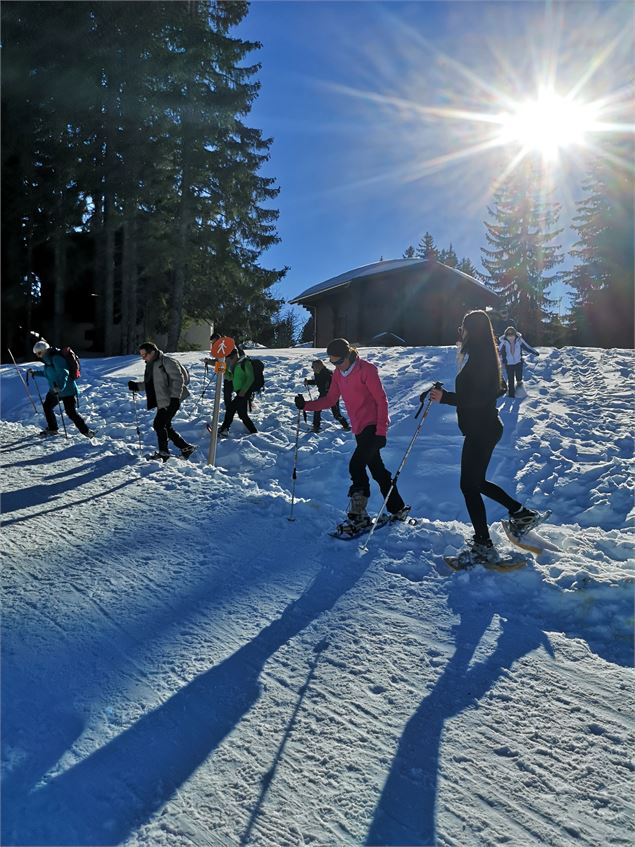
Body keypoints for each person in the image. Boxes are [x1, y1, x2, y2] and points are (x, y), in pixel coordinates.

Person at [429, 310, 544, 566]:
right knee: (475, 483)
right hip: (484, 428)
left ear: (473, 330)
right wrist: (445, 395)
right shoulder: (483, 356)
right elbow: (489, 392)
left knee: (469, 486)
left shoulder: (481, 357)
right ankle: (520, 513)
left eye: (463, 327)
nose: (461, 332)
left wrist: (445, 397)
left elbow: (480, 398)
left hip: (482, 430)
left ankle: (484, 544)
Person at [294, 338, 407, 527]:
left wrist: (381, 432)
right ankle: (397, 508)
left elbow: (381, 401)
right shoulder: (338, 375)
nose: (336, 365)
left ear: (349, 355)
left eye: (338, 361)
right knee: (377, 469)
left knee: (356, 466)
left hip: (373, 425)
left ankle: (359, 516)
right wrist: (306, 405)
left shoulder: (366, 370)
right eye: (332, 362)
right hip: (359, 428)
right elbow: (330, 400)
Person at [127, 342, 195, 461]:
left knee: (159, 424)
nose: (143, 358)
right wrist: (137, 386)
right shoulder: (152, 364)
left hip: (172, 399)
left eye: (144, 355)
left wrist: (175, 398)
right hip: (163, 400)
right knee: (165, 426)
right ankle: (185, 448)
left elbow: (178, 380)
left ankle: (164, 452)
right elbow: (152, 384)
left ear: (152, 352)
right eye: (141, 356)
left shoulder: (167, 362)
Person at [28, 340, 95, 438]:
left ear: (44, 350)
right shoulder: (48, 361)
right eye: (36, 354)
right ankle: (53, 429)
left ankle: (87, 432)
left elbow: (64, 373)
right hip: (55, 390)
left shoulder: (56, 358)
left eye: (39, 353)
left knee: (71, 412)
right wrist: (35, 373)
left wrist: (59, 387)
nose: (38, 356)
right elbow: (47, 374)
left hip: (67, 390)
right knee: (47, 406)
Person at [218, 348, 257, 436]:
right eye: (228, 359)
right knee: (242, 414)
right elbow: (231, 378)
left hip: (245, 391)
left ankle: (224, 428)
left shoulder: (245, 362)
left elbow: (251, 378)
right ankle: (254, 432)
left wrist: (243, 391)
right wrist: (224, 370)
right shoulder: (235, 365)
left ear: (236, 355)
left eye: (231, 358)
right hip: (239, 392)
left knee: (231, 408)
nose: (230, 360)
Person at [304, 359, 350, 433]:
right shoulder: (317, 373)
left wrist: (328, 390)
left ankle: (346, 426)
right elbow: (317, 382)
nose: (312, 368)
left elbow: (333, 385)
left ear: (319, 366)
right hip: (323, 394)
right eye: (312, 366)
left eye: (313, 366)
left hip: (332, 396)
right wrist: (308, 382)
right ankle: (316, 427)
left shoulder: (328, 374)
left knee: (336, 414)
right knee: (317, 409)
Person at [498, 326, 539, 398]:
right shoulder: (504, 342)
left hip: (518, 363)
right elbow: (498, 352)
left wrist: (535, 352)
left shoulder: (519, 340)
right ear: (506, 334)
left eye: (512, 333)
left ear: (515, 333)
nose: (510, 335)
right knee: (510, 379)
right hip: (509, 364)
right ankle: (511, 395)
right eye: (508, 334)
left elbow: (527, 347)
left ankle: (520, 391)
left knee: (519, 378)